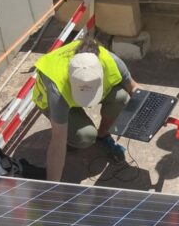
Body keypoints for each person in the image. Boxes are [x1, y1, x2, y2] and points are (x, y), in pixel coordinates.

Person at [32, 37, 141, 182]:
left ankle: (102, 136)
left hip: (73, 93)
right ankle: (73, 140)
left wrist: (155, 111)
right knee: (85, 136)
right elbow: (57, 142)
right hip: (50, 101)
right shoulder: (57, 89)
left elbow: (134, 88)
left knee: (121, 97)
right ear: (70, 79)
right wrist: (52, 186)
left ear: (101, 73)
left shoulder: (110, 61)